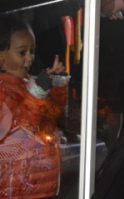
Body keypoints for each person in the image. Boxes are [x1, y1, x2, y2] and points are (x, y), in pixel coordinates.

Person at [0, 15, 70, 198]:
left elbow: (52, 115)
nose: (30, 58)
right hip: (17, 187)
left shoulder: (29, 83)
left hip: (40, 181)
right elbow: (19, 129)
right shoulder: (2, 90)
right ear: (1, 56)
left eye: (32, 51)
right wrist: (38, 92)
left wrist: (57, 86)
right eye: (22, 52)